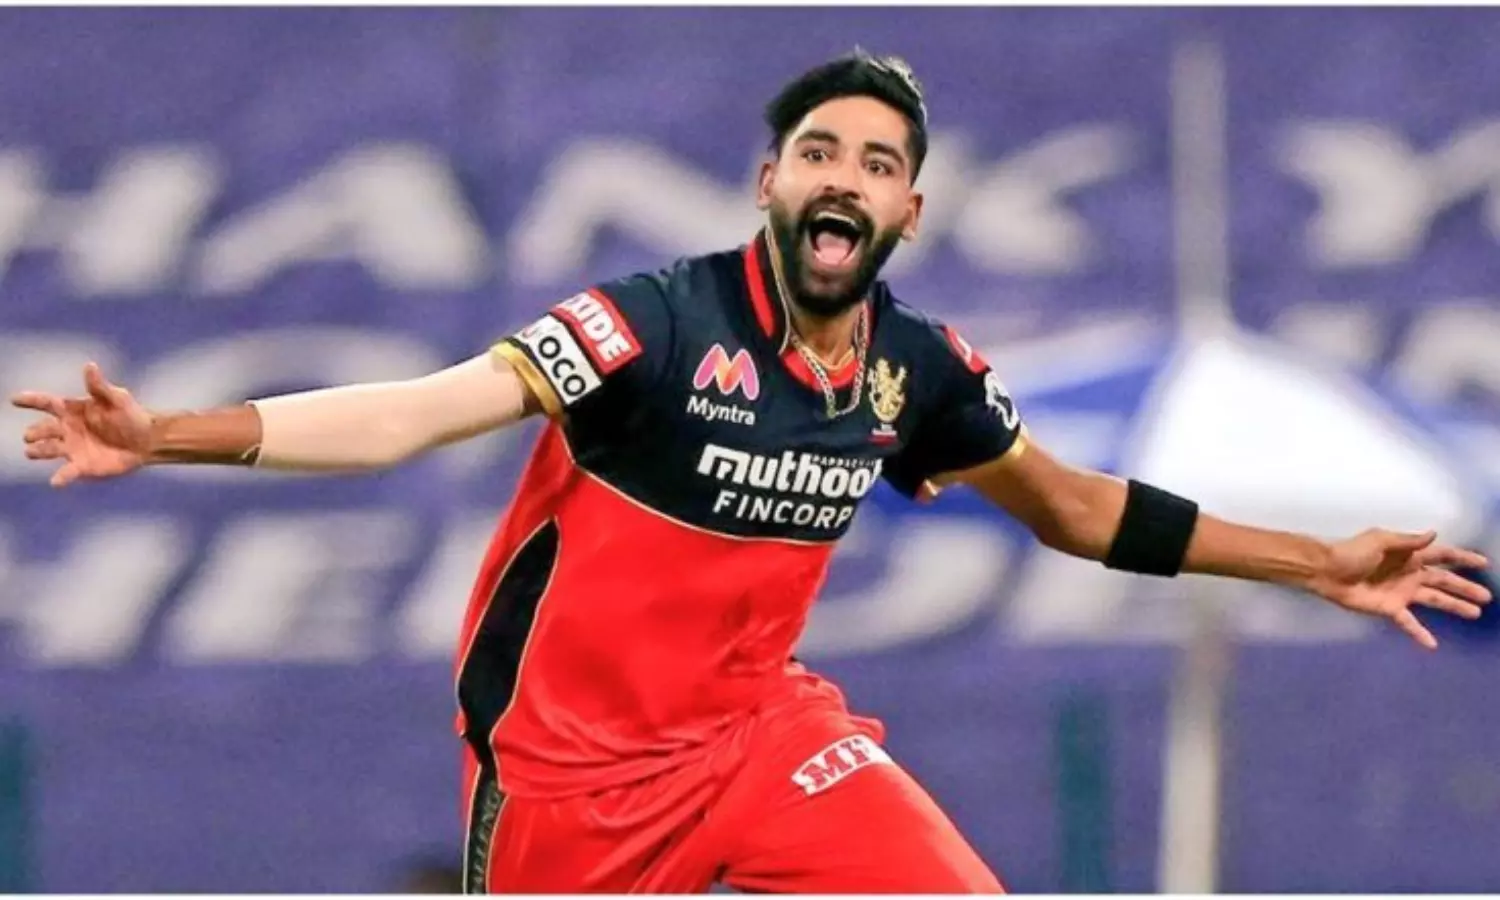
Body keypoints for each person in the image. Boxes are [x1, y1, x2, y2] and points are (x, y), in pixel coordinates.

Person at [10, 51, 1491, 894]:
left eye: (879, 163)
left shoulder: (917, 371)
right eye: (820, 151)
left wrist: (1317, 561)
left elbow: (1081, 510)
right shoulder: (655, 323)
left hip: (759, 739)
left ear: (910, 211)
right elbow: (415, 413)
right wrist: (167, 434)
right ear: (773, 183)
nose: (846, 175)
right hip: (567, 781)